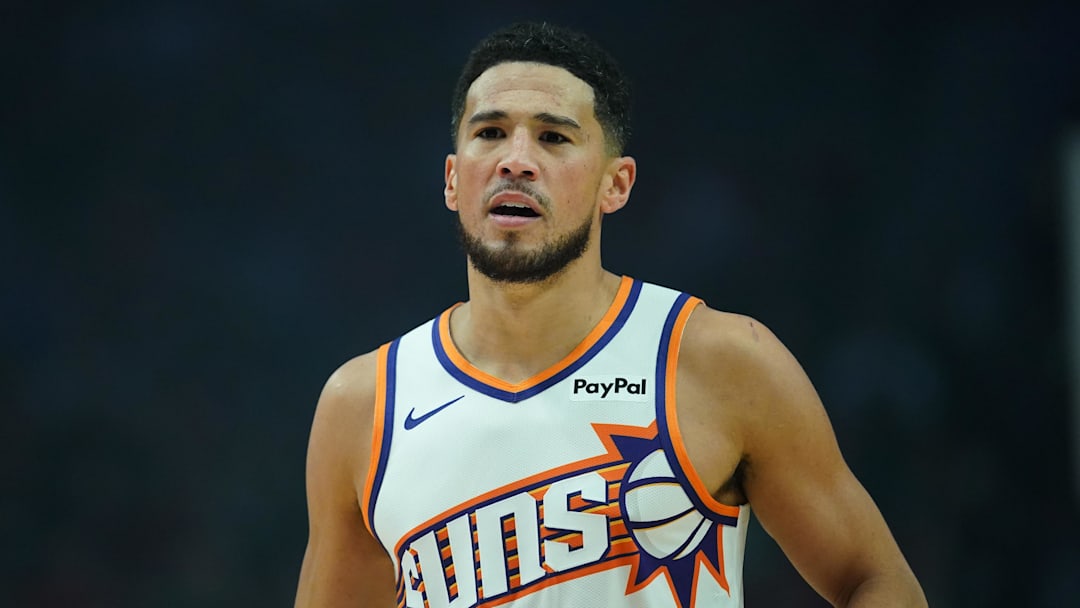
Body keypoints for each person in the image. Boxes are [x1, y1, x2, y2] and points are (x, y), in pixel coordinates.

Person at [294, 22, 927, 608]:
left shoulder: (721, 361)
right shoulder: (362, 405)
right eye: (490, 133)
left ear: (615, 184)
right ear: (454, 180)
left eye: (553, 137)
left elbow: (875, 580)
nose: (516, 160)